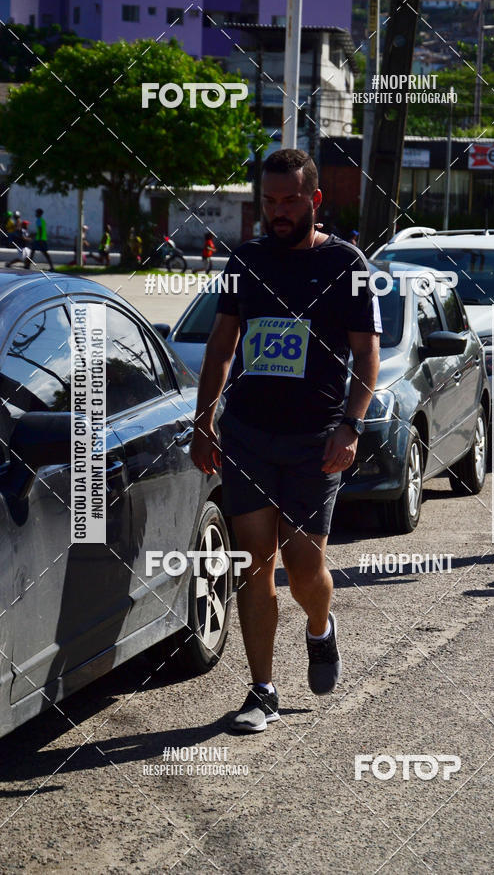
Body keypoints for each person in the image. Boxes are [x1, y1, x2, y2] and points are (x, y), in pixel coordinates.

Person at [190, 149, 381, 733]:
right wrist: (205, 420)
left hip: (314, 440)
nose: (278, 211)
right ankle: (262, 690)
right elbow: (222, 344)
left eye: (290, 200)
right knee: (255, 566)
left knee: (304, 570)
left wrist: (351, 424)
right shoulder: (245, 260)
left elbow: (367, 351)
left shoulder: (346, 262)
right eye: (269, 202)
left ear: (314, 200)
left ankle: (320, 628)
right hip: (248, 435)